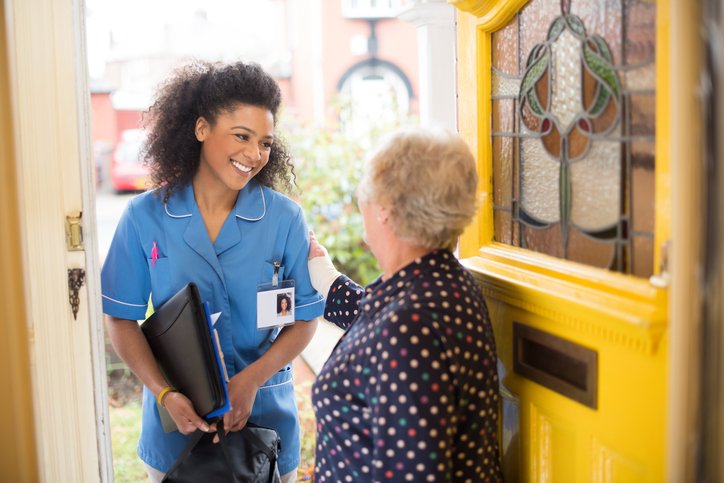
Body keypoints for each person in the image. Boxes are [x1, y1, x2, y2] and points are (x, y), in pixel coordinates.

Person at [101, 60, 324, 483]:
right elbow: (121, 318)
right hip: (175, 438)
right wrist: (165, 394)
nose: (254, 154)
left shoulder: (285, 219)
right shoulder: (145, 216)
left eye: (265, 143)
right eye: (241, 136)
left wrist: (252, 380)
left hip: (266, 432)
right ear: (202, 129)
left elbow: (305, 319)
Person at [307, 127, 503, 482]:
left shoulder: (409, 327)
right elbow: (376, 323)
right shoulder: (443, 282)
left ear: (384, 209)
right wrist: (323, 276)